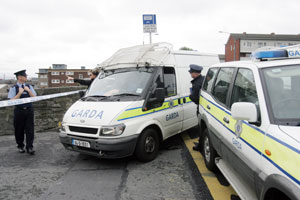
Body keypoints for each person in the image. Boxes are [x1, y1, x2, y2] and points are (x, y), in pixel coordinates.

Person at [8, 70, 37, 155]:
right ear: (19, 77)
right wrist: (19, 93)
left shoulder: (29, 86)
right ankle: (20, 146)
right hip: (19, 111)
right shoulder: (13, 88)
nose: (26, 77)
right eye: (25, 76)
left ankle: (30, 147)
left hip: (29, 110)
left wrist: (29, 91)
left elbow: (35, 97)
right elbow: (11, 101)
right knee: (19, 130)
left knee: (30, 129)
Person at [188, 64, 204, 151]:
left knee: (200, 128)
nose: (190, 74)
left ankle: (200, 146)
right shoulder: (203, 79)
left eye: (191, 72)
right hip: (205, 107)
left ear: (195, 73)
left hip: (200, 107)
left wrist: (190, 96)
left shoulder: (197, 84)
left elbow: (195, 98)